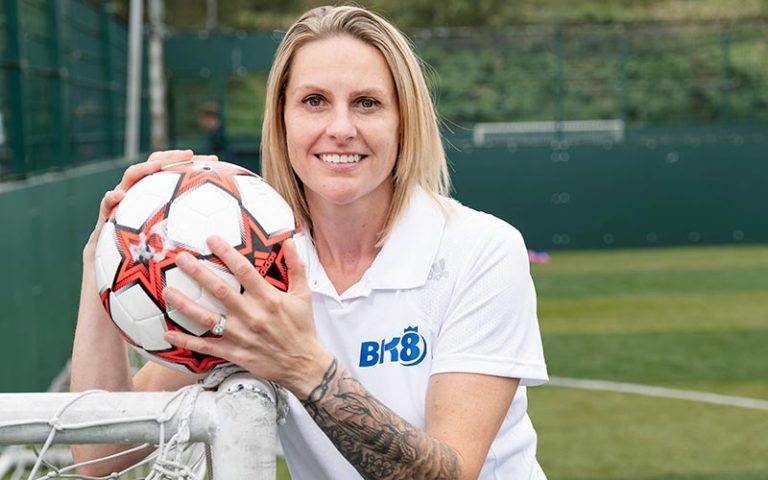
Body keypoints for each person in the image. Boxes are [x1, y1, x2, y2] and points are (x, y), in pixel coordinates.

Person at [71, 5, 548, 479]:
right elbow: (103, 452)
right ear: (282, 120)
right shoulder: (253, 265)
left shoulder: (479, 250)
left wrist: (303, 367)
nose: (340, 129)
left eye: (367, 103)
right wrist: (105, 255)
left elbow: (453, 474)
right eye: (314, 101)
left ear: (405, 121)